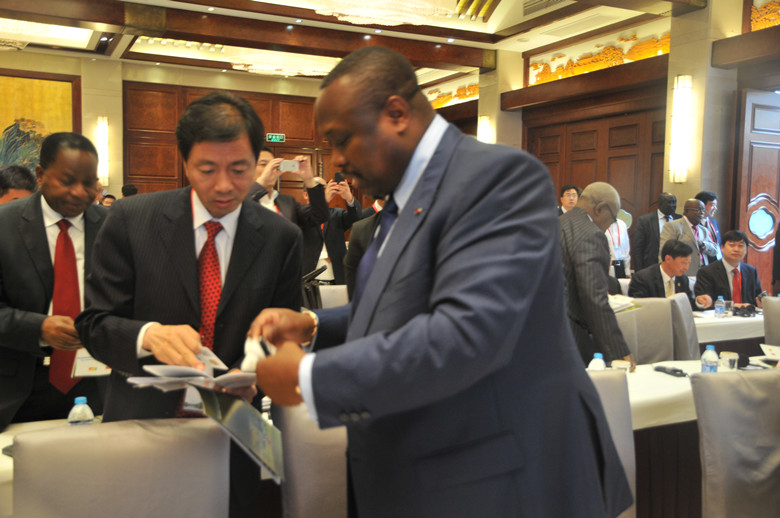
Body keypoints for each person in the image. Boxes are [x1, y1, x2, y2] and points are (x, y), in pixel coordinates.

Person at [250, 46, 632, 518]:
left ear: (396, 114)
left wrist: (309, 378)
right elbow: (406, 304)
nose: (337, 160)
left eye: (342, 139)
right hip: (424, 476)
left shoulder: (498, 178)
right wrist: (314, 325)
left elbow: (467, 334)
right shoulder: (403, 197)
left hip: (500, 485)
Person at [75, 92, 303, 518]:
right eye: (207, 169)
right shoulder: (131, 220)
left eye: (239, 169)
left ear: (257, 163)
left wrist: (257, 370)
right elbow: (94, 324)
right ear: (184, 162)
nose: (224, 185)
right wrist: (148, 335)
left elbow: (284, 332)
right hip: (145, 427)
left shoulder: (281, 237)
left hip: (234, 430)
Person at [0, 133, 106, 431]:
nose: (79, 192)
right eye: (67, 181)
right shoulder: (4, 226)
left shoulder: (112, 226)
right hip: (20, 387)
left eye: (89, 183)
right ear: (40, 175)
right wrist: (40, 328)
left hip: (97, 382)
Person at [560, 182, 636, 368]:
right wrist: (619, 351)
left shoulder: (558, 223)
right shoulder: (591, 234)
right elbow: (593, 297)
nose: (610, 225)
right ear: (599, 209)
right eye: (612, 218)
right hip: (570, 337)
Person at [250, 146, 329, 276]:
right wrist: (261, 183)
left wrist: (309, 179)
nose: (270, 169)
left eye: (273, 165)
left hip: (287, 277)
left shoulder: (287, 202)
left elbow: (320, 215)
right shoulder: (239, 200)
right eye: (263, 164)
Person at [303, 177, 363, 285]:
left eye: (324, 189)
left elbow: (357, 219)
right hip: (308, 280)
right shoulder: (299, 215)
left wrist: (349, 198)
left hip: (337, 278)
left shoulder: (337, 214)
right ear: (306, 195)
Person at [694, 230, 763, 309]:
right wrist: (732, 306)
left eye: (741, 246)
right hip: (720, 315)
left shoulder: (751, 272)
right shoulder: (707, 272)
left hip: (747, 315)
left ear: (746, 250)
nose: (736, 249)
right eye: (732, 245)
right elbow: (705, 303)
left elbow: (757, 299)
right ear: (722, 248)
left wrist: (761, 303)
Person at [659, 199, 718, 276]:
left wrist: (704, 245)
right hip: (683, 274)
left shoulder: (704, 230)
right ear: (686, 211)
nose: (702, 213)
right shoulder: (673, 226)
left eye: (703, 210)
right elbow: (664, 253)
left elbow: (715, 250)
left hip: (703, 274)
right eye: (698, 210)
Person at [628, 239, 695, 308]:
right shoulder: (643, 279)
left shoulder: (682, 279)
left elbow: (688, 304)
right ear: (668, 259)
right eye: (684, 263)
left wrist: (699, 301)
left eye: (688, 263)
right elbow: (639, 307)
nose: (686, 267)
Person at [633, 192, 681, 271]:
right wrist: (639, 271)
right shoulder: (645, 220)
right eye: (669, 202)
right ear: (660, 204)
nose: (673, 205)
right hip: (651, 266)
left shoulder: (680, 219)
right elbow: (638, 248)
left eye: (674, 202)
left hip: (675, 266)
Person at [695, 190, 721, 261]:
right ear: (701, 205)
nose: (715, 208)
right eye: (712, 205)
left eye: (716, 205)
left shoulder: (714, 222)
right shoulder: (694, 223)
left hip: (716, 260)